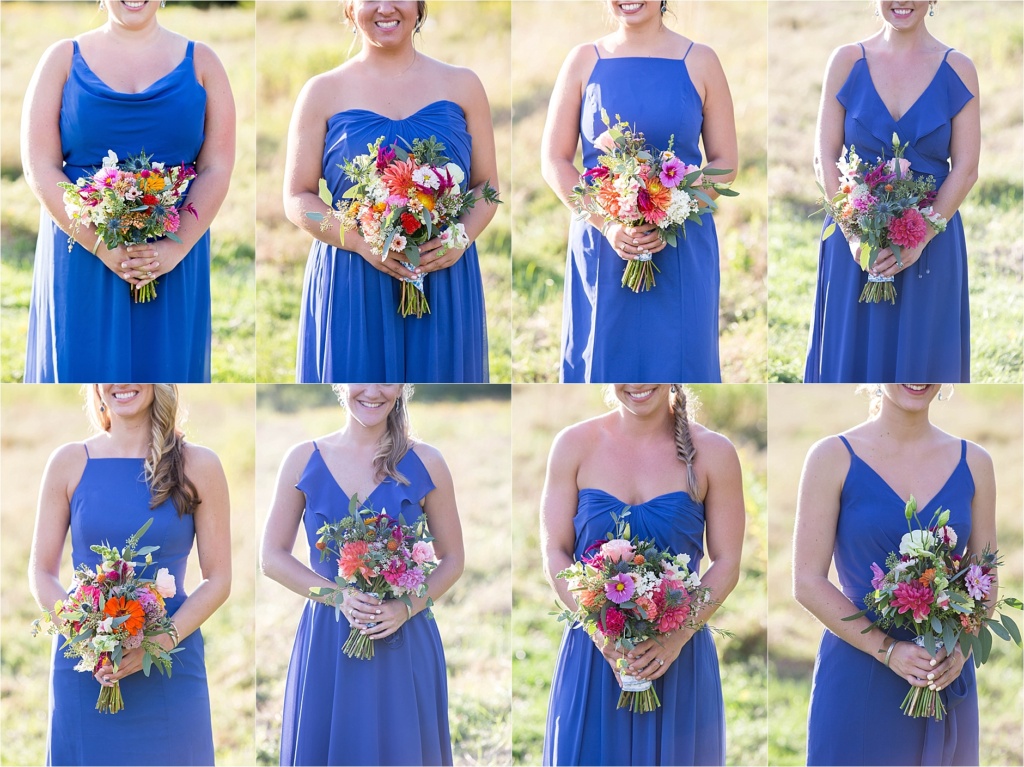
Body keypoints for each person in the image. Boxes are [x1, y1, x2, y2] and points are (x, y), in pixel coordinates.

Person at [284, 1, 499, 383]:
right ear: (350, 9)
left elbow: (487, 186)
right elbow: (298, 197)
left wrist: (458, 239)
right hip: (353, 275)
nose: (386, 7)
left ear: (419, 6)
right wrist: (358, 241)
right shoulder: (322, 91)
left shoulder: (463, 85)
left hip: (442, 272)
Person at [21, 0, 235, 383]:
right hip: (82, 252)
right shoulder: (62, 59)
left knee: (164, 375)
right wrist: (101, 244)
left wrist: (175, 248)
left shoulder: (203, 62)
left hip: (171, 257)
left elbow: (216, 166)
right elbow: (40, 165)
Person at [540, 384, 744, 765]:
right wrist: (600, 634)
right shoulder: (573, 444)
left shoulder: (715, 453)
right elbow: (555, 551)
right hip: (595, 651)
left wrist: (674, 639)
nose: (637, 381)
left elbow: (728, 561)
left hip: (677, 655)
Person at [261, 384, 464, 765]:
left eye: (386, 380)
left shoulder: (427, 461)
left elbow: (452, 559)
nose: (372, 391)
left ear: (403, 387)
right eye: (360, 380)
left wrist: (405, 608)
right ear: (339, 385)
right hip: (329, 639)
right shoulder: (303, 458)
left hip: (403, 637)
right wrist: (337, 596)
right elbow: (271, 556)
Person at [28, 384, 232, 765]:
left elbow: (219, 579)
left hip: (170, 662)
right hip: (87, 667)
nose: (121, 380)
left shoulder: (200, 465)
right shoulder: (69, 462)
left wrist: (156, 643)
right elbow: (41, 572)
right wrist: (89, 640)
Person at [541, 0, 737, 383]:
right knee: (603, 360)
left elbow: (725, 164)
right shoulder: (582, 60)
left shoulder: (702, 61)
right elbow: (555, 160)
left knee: (681, 365)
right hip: (604, 239)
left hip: (680, 243)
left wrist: (671, 207)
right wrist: (607, 224)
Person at [793, 384, 990, 764]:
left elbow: (985, 574)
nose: (916, 376)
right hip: (858, 671)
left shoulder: (976, 462)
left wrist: (962, 649)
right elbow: (806, 581)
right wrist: (888, 651)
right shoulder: (832, 456)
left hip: (944, 673)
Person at [804, 1, 980, 382]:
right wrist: (853, 235)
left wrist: (922, 237)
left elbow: (966, 169)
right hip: (854, 247)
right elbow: (824, 156)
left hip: (931, 247)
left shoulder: (958, 68)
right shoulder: (846, 61)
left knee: (922, 364)